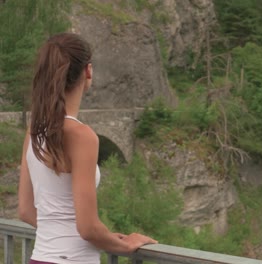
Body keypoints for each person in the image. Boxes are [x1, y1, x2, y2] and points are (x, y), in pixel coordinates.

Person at [17, 32, 157, 264]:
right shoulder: (82, 136)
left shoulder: (34, 131)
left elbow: (26, 210)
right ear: (88, 71)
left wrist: (67, 234)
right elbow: (87, 227)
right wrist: (125, 244)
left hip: (39, 258)